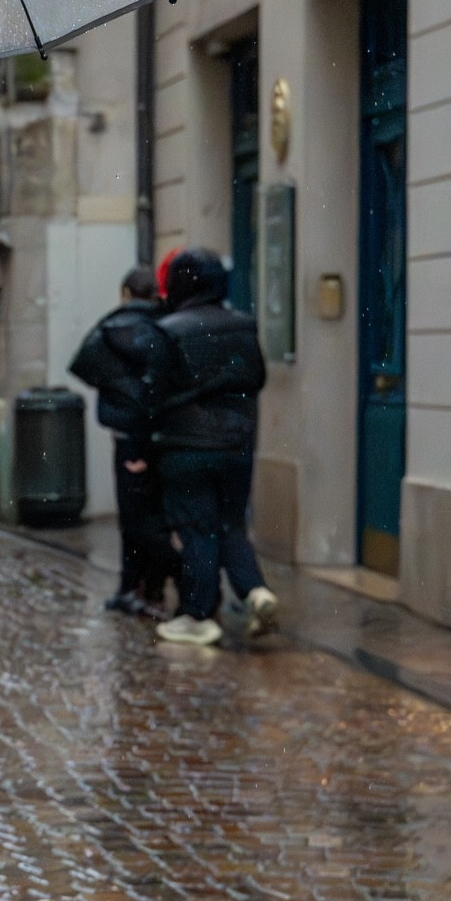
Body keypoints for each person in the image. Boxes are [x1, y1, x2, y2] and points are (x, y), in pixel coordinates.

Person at [147, 246, 278, 647]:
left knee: (197, 528)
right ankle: (256, 591)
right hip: (237, 441)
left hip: (186, 445)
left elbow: (152, 392)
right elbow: (257, 377)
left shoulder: (169, 330)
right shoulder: (243, 325)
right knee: (232, 524)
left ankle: (197, 616)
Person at [69, 265, 177, 616]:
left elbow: (83, 365)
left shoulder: (110, 328)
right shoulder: (167, 326)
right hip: (162, 433)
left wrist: (116, 386)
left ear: (126, 294)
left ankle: (134, 586)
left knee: (132, 518)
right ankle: (153, 587)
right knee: (156, 515)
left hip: (126, 433)